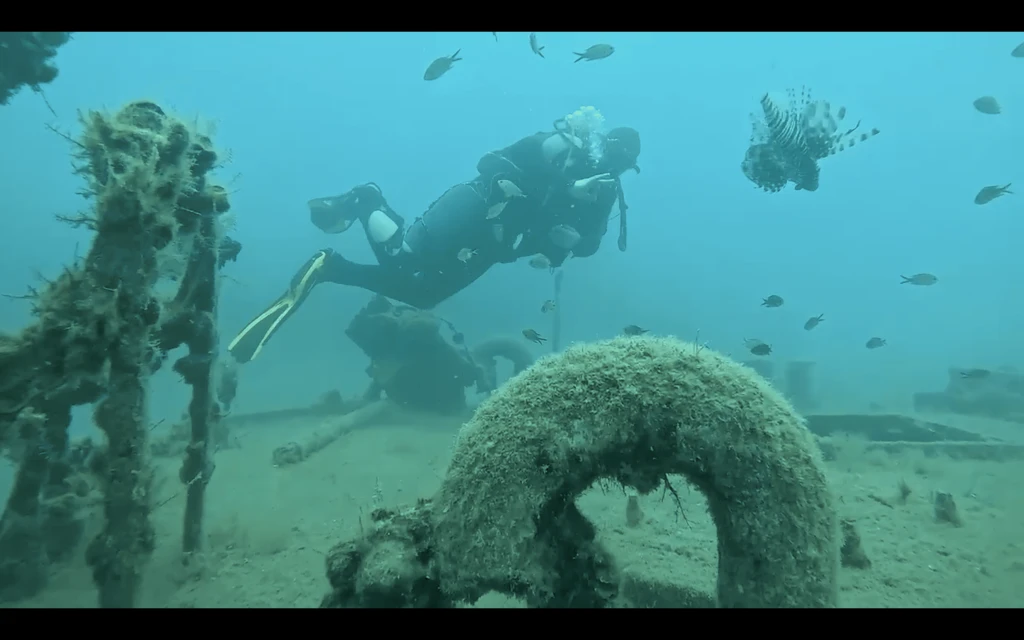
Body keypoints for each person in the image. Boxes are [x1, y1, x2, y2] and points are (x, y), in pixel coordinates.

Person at [228, 107, 641, 364]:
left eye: (625, 166)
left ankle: (330, 267)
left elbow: (590, 245)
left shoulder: (604, 195)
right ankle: (366, 200)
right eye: (615, 158)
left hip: (494, 245)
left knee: (423, 295)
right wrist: (556, 184)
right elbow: (490, 161)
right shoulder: (558, 148)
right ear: (601, 146)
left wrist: (573, 241)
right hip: (471, 208)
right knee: (403, 261)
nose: (616, 168)